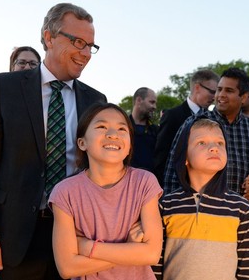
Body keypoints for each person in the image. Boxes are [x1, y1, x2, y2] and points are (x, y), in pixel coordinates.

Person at [0, 3, 107, 280]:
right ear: (49, 37)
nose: (85, 53)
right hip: (13, 240)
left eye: (91, 46)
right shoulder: (5, 88)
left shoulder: (96, 101)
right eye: (78, 42)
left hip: (76, 238)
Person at [49, 103, 163, 279]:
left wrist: (88, 247)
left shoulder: (144, 182)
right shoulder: (65, 192)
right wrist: (129, 247)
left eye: (121, 129)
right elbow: (67, 268)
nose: (113, 135)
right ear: (82, 142)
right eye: (102, 127)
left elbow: (151, 254)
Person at [160, 117, 249, 280]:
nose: (214, 148)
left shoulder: (240, 207)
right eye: (202, 143)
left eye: (220, 143)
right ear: (184, 156)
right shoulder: (166, 205)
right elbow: (154, 265)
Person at [163, 67, 249, 195]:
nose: (221, 95)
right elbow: (173, 168)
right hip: (199, 209)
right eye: (219, 89)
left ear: (243, 97)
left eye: (229, 90)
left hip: (242, 210)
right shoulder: (195, 123)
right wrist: (172, 207)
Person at [154, 69, 219, 185]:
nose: (215, 97)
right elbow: (160, 157)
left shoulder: (213, 119)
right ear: (197, 87)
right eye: (212, 92)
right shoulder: (172, 115)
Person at [129, 87, 158, 172]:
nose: (154, 107)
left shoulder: (157, 131)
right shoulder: (122, 128)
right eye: (152, 102)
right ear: (138, 100)